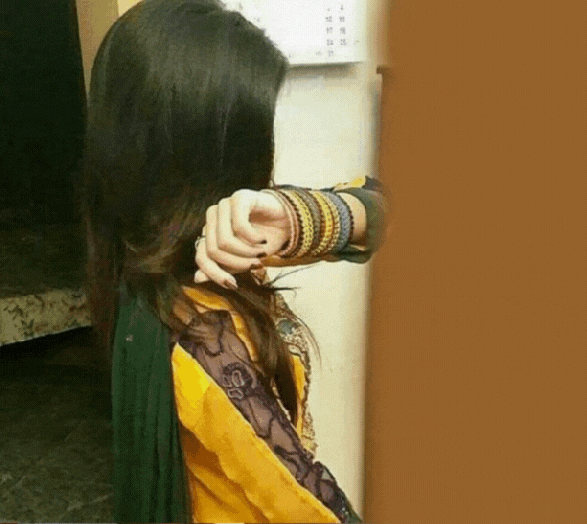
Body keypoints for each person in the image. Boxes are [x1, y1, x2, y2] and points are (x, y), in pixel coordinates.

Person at [79, 1, 386, 522]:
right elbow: (309, 505)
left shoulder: (155, 258)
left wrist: (294, 216)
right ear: (214, 154)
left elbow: (382, 206)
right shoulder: (204, 337)